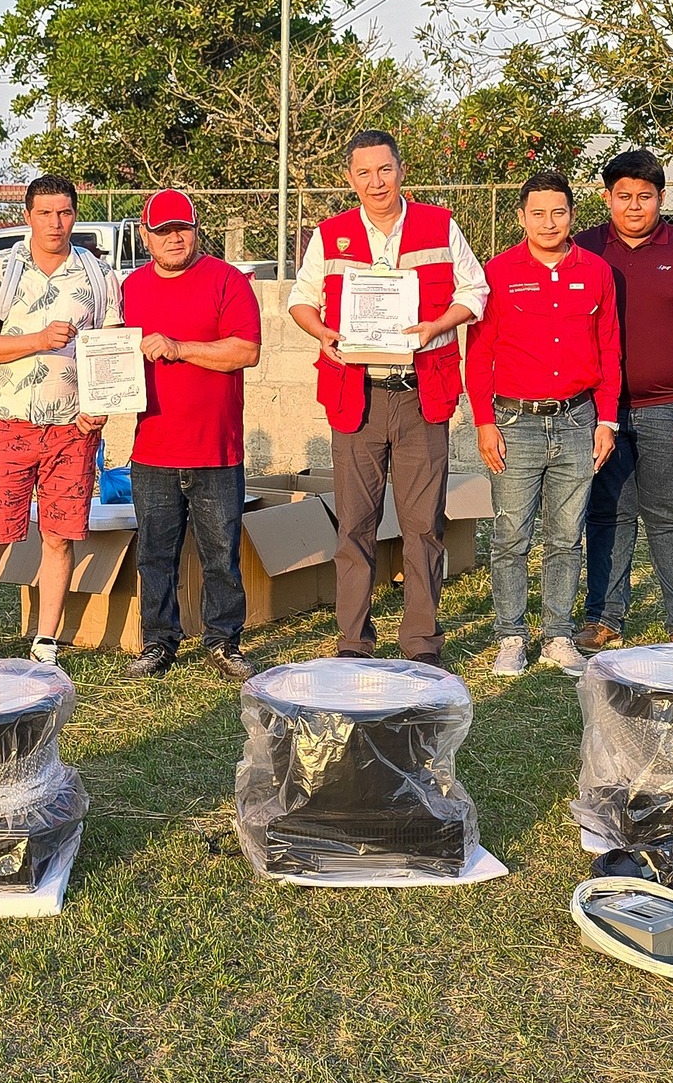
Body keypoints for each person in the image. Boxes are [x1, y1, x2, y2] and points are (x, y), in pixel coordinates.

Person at [289, 129, 488, 666]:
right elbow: (301, 301)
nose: (376, 182)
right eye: (364, 173)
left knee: (424, 523)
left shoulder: (440, 224)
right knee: (355, 523)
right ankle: (354, 642)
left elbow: (476, 291)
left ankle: (421, 643)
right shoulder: (330, 235)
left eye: (385, 169)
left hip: (422, 394)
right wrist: (323, 334)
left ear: (401, 169)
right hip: (358, 396)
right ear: (350, 179)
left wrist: (436, 325)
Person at [0, 175, 118, 669]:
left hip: (73, 428)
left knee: (60, 536)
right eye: (45, 213)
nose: (55, 223)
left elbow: (108, 349)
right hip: (8, 423)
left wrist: (101, 401)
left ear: (75, 215)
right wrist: (39, 339)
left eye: (64, 213)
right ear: (28, 216)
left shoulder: (99, 274)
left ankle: (46, 642)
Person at [574, 149, 673, 653]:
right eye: (624, 197)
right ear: (608, 198)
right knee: (608, 514)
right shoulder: (584, 248)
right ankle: (605, 618)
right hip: (602, 412)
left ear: (661, 198)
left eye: (645, 197)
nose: (635, 206)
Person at [466, 171, 621, 678]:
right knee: (510, 534)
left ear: (572, 215)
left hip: (578, 420)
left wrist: (608, 421)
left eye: (558, 212)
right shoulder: (499, 272)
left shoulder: (596, 271)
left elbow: (610, 349)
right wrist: (485, 423)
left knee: (565, 534)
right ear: (520, 217)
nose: (549, 222)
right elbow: (479, 354)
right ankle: (511, 635)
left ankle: (557, 634)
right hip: (516, 422)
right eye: (538, 213)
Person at [123, 189, 263, 681]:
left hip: (215, 447)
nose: (173, 238)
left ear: (196, 228)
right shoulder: (130, 288)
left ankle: (224, 641)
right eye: (162, 231)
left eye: (181, 228)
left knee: (220, 554)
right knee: (155, 554)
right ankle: (158, 640)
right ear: (146, 236)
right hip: (153, 449)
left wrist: (179, 348)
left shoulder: (227, 281)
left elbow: (245, 352)